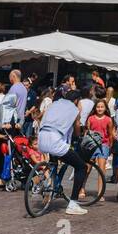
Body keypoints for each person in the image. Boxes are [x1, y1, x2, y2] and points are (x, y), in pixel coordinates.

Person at [37, 89, 90, 217]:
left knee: (54, 162)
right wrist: (78, 136)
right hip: (55, 141)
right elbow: (77, 130)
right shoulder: (75, 110)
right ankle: (73, 204)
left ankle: (51, 186)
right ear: (76, 100)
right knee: (81, 166)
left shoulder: (54, 104)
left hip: (42, 138)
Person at [85, 97, 113, 198]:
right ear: (95, 108)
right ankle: (82, 188)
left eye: (102, 107)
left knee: (101, 169)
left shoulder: (108, 120)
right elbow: (87, 133)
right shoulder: (91, 118)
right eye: (98, 107)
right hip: (91, 145)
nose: (100, 109)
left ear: (105, 108)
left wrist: (110, 146)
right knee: (87, 168)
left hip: (103, 145)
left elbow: (110, 134)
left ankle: (100, 193)